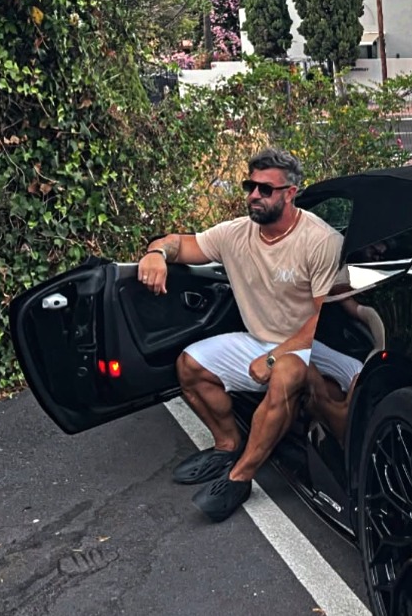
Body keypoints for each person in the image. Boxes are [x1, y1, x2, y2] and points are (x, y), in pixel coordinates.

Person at [137, 147, 342, 522]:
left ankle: (240, 476)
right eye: (250, 186)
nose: (254, 195)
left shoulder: (319, 240)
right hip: (260, 339)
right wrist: (156, 253)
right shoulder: (235, 233)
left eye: (266, 189)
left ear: (290, 194)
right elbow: (182, 244)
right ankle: (227, 444)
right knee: (190, 365)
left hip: (309, 344)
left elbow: (322, 318)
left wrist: (274, 357)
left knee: (284, 375)